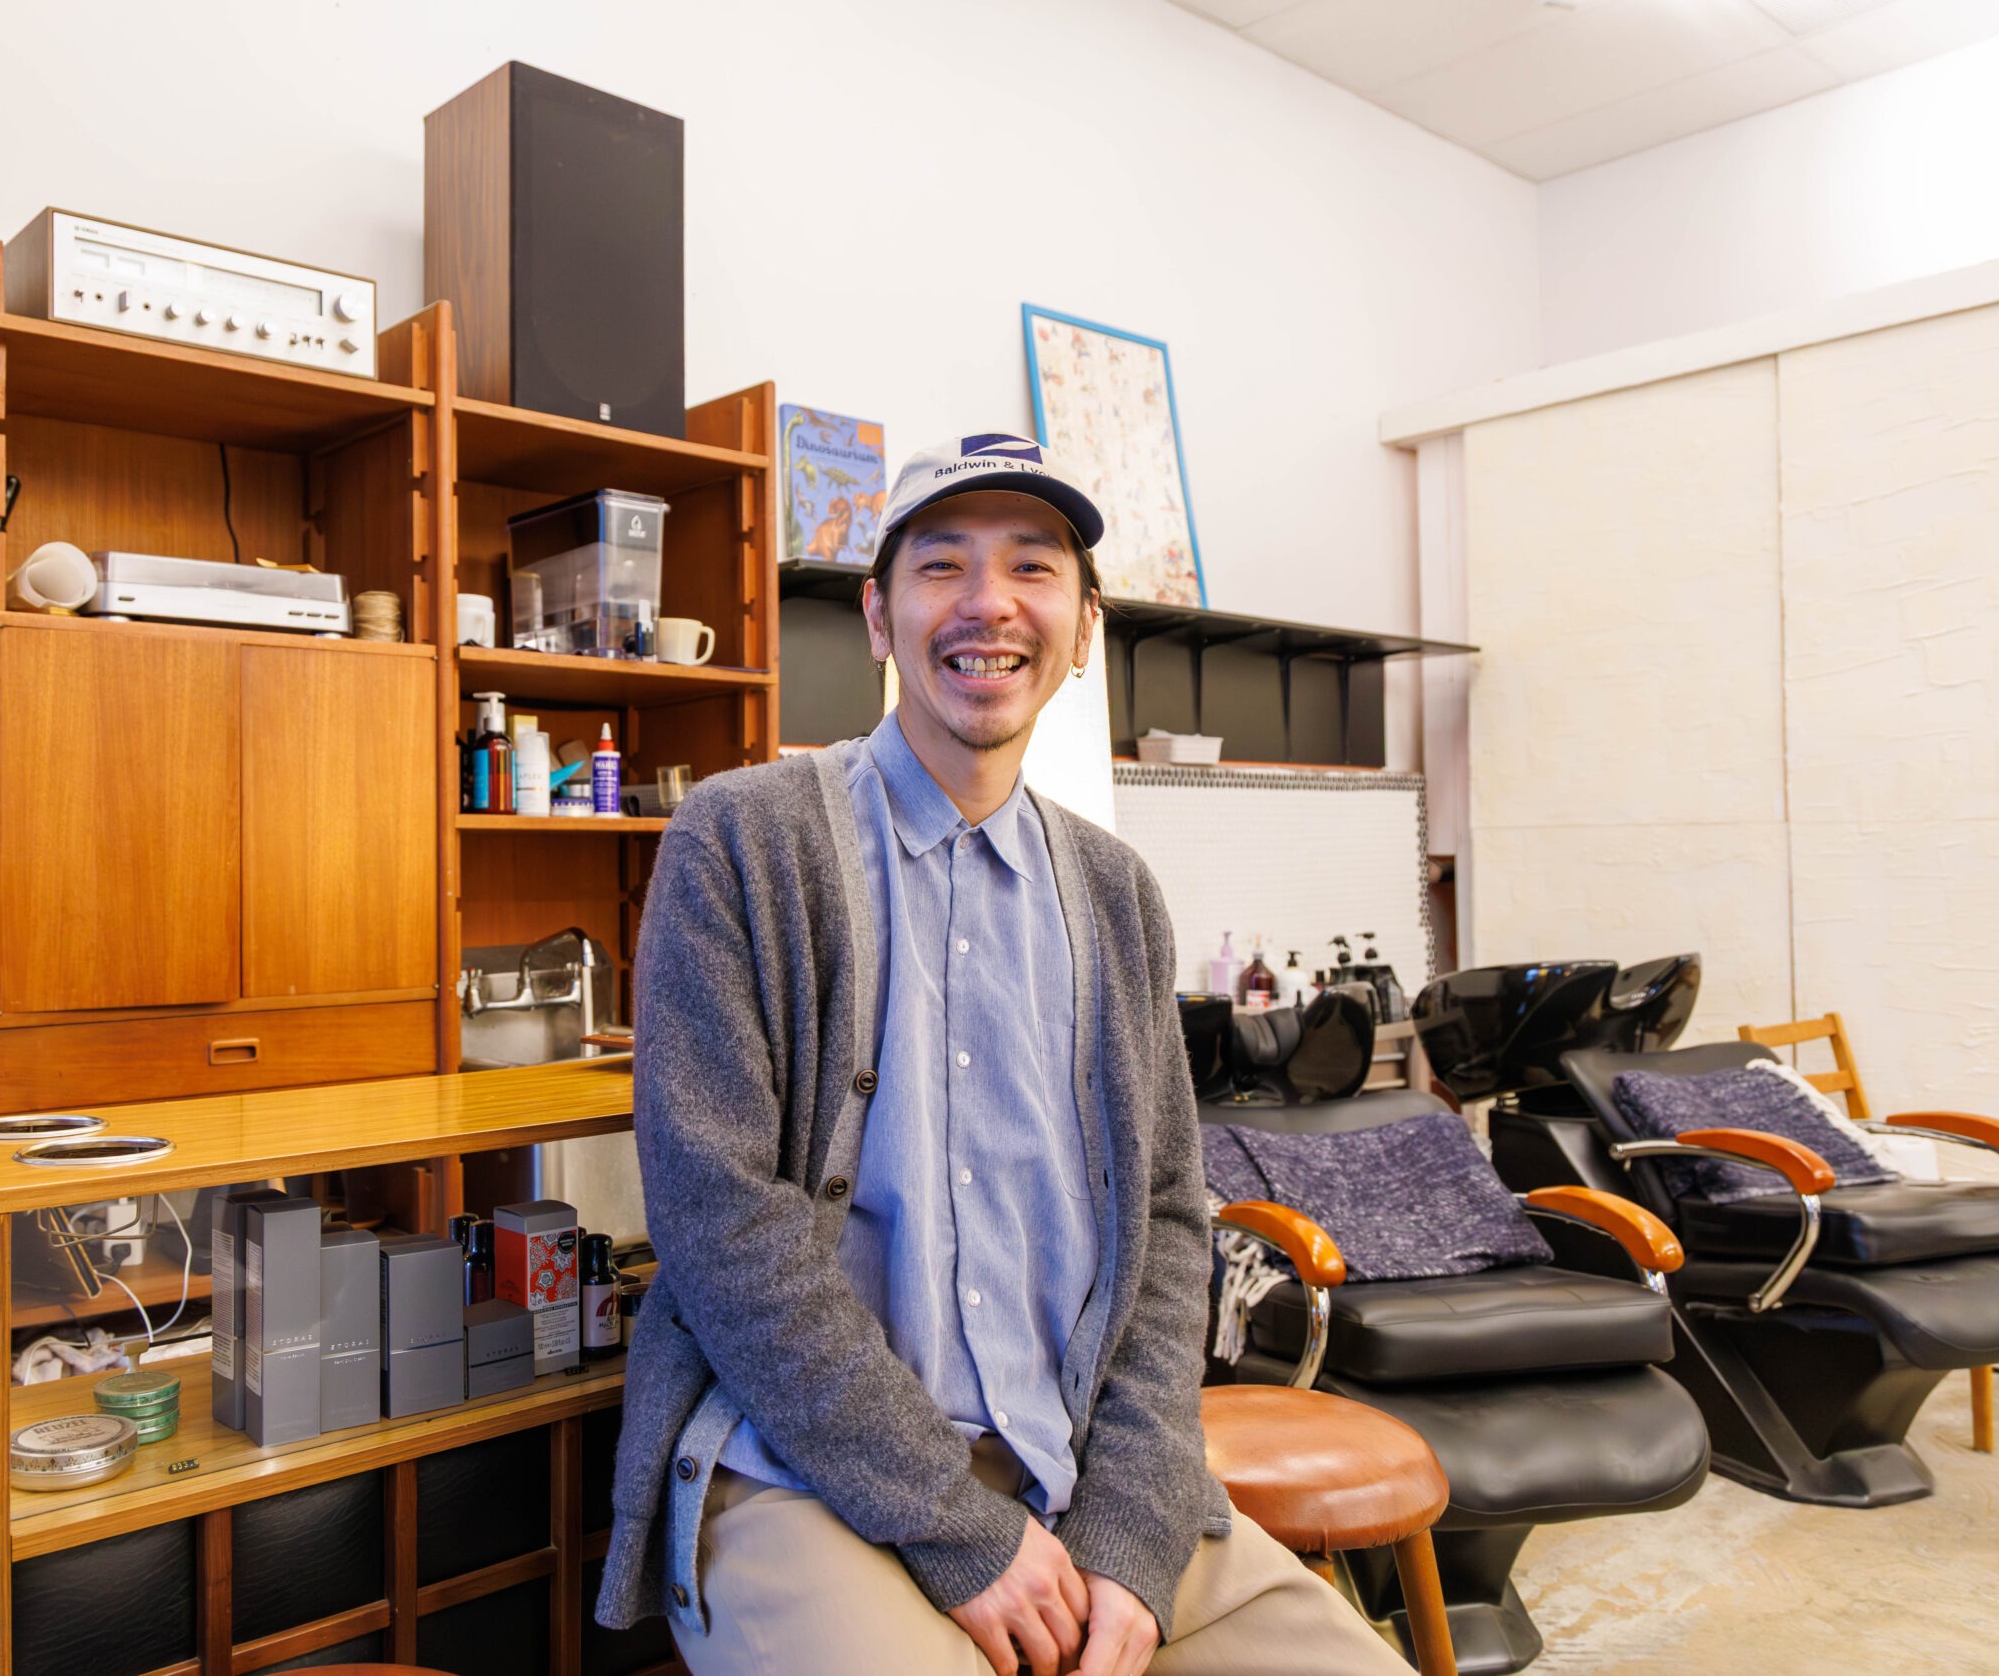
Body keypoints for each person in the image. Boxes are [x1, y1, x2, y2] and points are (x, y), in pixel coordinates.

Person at [594, 434, 1410, 1676]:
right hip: (804, 1475)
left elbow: (1166, 1224)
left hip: (1076, 1463)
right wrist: (957, 1526)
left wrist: (1130, 1530)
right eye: (941, 566)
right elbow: (721, 1225)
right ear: (878, 617)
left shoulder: (1116, 892)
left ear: (1083, 631)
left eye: (1033, 567)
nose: (988, 603)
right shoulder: (744, 841)